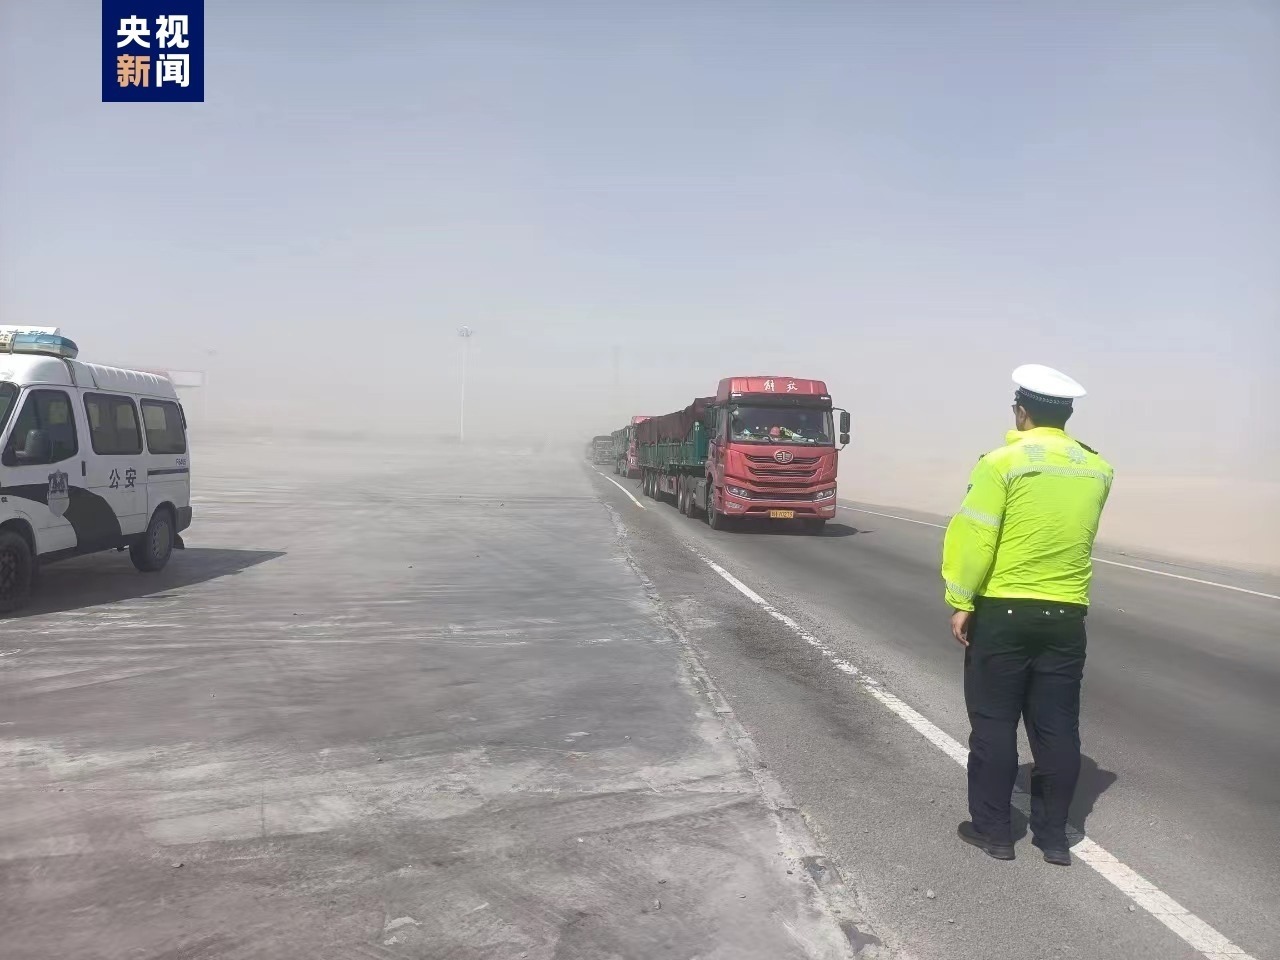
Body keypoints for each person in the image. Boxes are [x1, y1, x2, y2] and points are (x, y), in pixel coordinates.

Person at [940, 364, 1114, 866]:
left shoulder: (1001, 463)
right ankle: (1054, 838)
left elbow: (976, 536)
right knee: (1057, 728)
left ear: (1021, 412)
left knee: (995, 724)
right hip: (1066, 614)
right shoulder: (1098, 469)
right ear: (1067, 415)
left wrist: (961, 600)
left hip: (1004, 611)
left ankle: (994, 831)